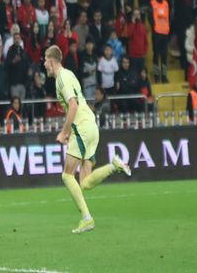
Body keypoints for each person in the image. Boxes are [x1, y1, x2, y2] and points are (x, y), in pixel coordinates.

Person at [44, 45, 131, 234]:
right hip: (90, 126)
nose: (44, 65)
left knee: (67, 175)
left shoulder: (62, 78)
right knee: (84, 182)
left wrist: (65, 132)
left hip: (82, 128)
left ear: (52, 61)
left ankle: (86, 218)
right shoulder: (69, 74)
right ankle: (114, 165)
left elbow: (73, 105)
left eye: (45, 60)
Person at [150, 0, 170, 83]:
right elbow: (150, 18)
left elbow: (168, 18)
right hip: (156, 33)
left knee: (164, 56)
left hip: (165, 33)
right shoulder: (152, 3)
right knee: (156, 56)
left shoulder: (166, 3)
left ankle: (164, 76)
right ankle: (157, 76)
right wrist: (153, 28)